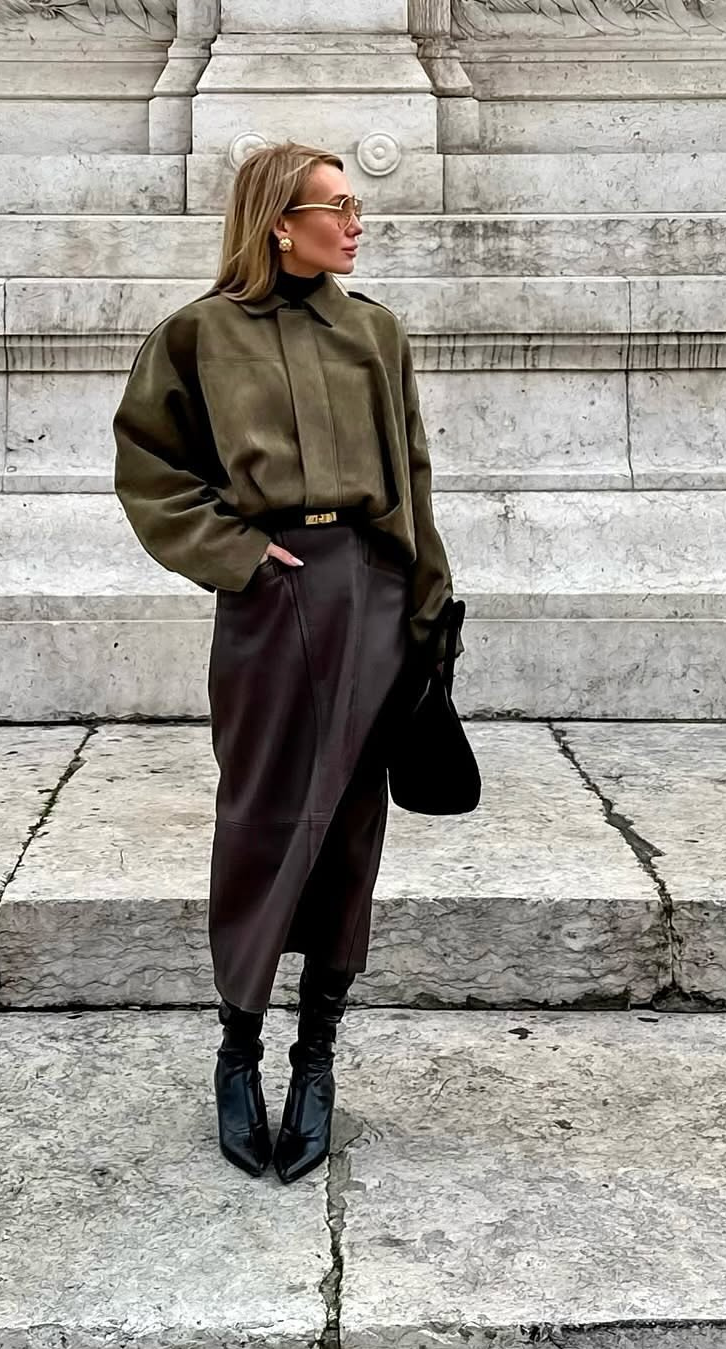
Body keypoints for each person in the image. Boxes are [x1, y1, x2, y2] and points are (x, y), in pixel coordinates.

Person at [112, 139, 462, 1184]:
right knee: (264, 813)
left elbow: (414, 472)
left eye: (356, 205)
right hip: (272, 592)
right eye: (338, 205)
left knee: (352, 818)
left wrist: (429, 604)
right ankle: (238, 1048)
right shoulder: (196, 337)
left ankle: (316, 1058)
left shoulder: (375, 332)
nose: (357, 223)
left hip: (373, 589)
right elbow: (151, 465)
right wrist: (236, 555)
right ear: (281, 222)